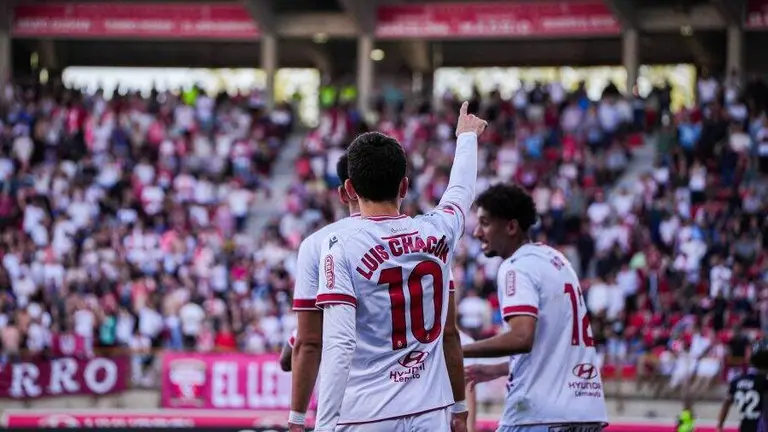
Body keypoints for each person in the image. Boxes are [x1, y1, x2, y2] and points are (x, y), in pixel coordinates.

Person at [311, 102, 487, 431]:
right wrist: (466, 137)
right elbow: (460, 192)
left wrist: (324, 426)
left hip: (366, 413)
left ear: (349, 189)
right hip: (430, 411)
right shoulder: (438, 230)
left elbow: (340, 344)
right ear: (404, 186)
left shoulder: (340, 245)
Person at [462, 183, 608, 432]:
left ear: (510, 226)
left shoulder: (516, 266)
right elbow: (549, 346)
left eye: (485, 223)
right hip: (585, 410)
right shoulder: (556, 260)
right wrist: (497, 369)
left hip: (538, 415)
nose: (476, 232)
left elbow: (522, 337)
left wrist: (459, 350)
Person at [288, 153, 361, 430]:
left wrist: (296, 419)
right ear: (402, 186)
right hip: (420, 404)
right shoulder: (426, 236)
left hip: (353, 404)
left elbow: (310, 341)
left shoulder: (320, 243)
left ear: (344, 193)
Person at [723, 340, 768, 432]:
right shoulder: (764, 382)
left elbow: (726, 403)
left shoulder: (736, 381)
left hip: (745, 426)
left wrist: (719, 425)